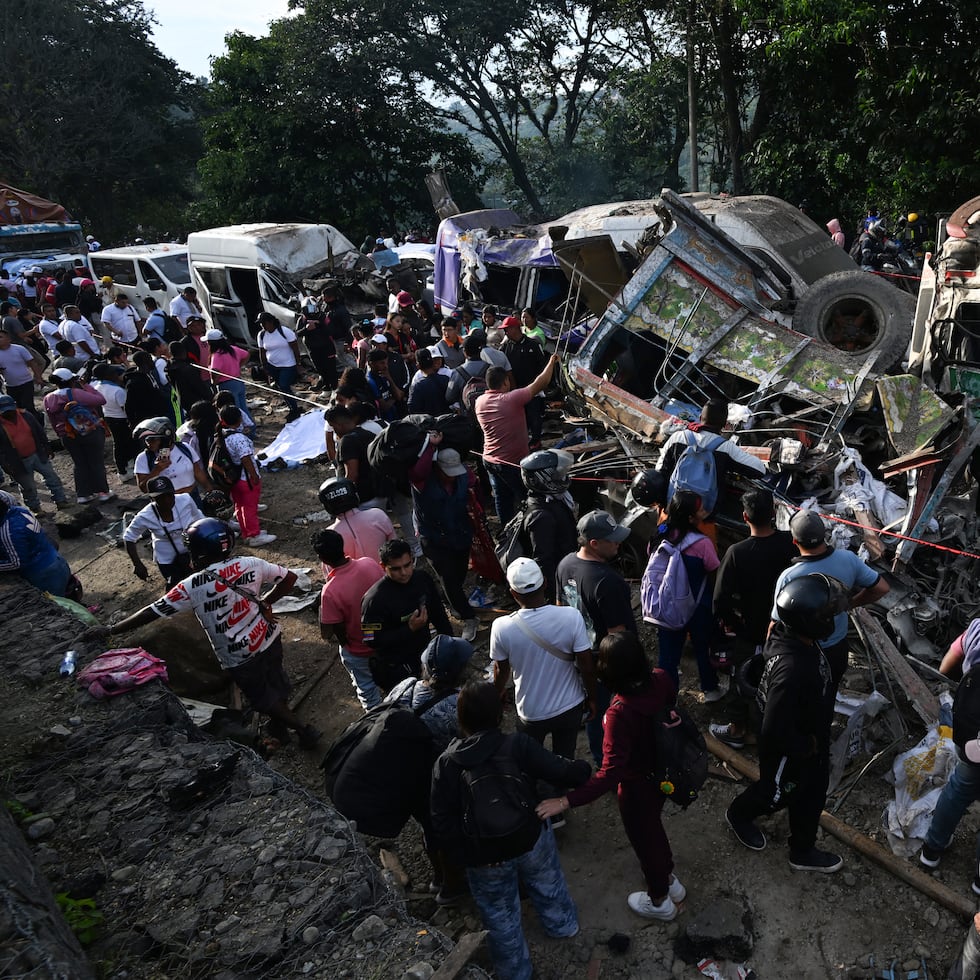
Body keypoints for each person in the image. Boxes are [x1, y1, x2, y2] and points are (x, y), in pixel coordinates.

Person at [87, 518, 321, 747]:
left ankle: (303, 729)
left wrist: (111, 629)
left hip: (239, 654)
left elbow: (153, 611)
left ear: (197, 551)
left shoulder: (192, 585)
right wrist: (266, 602)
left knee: (261, 698)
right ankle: (279, 724)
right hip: (268, 635)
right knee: (274, 678)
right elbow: (289, 578)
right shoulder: (251, 563)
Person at [430, 680, 590, 980]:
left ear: (461, 719)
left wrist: (469, 856)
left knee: (499, 913)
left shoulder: (447, 764)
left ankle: (516, 971)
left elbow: (442, 823)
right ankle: (563, 926)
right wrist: (582, 770)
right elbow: (562, 770)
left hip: (484, 856)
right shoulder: (517, 744)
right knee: (547, 883)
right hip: (530, 836)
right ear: (500, 713)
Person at [537, 631, 684, 921]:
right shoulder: (662, 678)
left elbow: (610, 772)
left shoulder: (620, 713)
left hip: (636, 787)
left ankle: (660, 901)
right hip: (663, 773)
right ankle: (669, 881)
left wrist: (567, 801)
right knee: (654, 829)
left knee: (645, 839)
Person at [726, 573, 844, 872]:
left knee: (813, 792)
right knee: (776, 792)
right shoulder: (792, 670)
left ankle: (802, 850)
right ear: (808, 621)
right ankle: (738, 814)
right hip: (790, 748)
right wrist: (803, 746)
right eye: (826, 614)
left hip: (811, 739)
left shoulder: (790, 634)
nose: (831, 618)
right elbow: (773, 728)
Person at [491, 557, 597, 806]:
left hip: (530, 712)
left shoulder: (501, 627)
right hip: (570, 707)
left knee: (528, 761)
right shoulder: (570, 617)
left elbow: (500, 671)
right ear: (545, 584)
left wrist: (497, 696)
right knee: (563, 758)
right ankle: (558, 802)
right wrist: (592, 697)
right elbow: (586, 664)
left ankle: (534, 803)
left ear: (512, 593)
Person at [711, 489, 797, 746]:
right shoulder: (789, 543)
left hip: (751, 630)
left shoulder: (737, 553)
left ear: (744, 517)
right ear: (773, 514)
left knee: (741, 677)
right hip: (786, 629)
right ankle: (776, 728)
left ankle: (737, 730)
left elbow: (719, 601)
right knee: (781, 680)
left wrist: (736, 624)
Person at [771, 509, 889, 692]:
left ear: (794, 541)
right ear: (824, 535)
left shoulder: (789, 577)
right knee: (828, 692)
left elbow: (775, 624)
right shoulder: (848, 559)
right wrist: (849, 604)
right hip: (836, 647)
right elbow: (882, 588)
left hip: (803, 652)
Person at [556, 509, 636, 762]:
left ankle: (600, 755)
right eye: (612, 539)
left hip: (579, 657)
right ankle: (611, 760)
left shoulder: (565, 563)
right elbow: (617, 636)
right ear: (594, 543)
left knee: (592, 710)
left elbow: (560, 609)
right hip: (605, 665)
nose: (618, 543)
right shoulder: (607, 581)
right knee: (609, 712)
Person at [647, 490, 724, 700]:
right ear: (691, 517)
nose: (704, 511)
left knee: (668, 656)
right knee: (703, 648)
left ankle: (666, 697)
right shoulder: (702, 543)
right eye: (700, 509)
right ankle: (710, 689)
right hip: (698, 606)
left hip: (667, 604)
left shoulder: (660, 533)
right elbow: (713, 570)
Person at [919, 617, 980, 877]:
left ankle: (931, 851)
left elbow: (946, 667)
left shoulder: (977, 627)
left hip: (971, 735)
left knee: (959, 788)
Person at [656, 398, 767, 540]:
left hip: (670, 514)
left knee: (659, 548)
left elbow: (660, 470)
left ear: (701, 417)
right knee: (701, 558)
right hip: (701, 520)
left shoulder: (678, 437)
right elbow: (759, 470)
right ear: (724, 424)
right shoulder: (726, 448)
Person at [409, 432, 480, 642]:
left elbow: (474, 484)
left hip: (460, 533)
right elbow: (417, 470)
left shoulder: (462, 476)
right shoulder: (422, 481)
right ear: (436, 468)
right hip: (433, 538)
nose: (451, 475)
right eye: (446, 472)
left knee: (457, 575)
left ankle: (448, 598)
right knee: (448, 577)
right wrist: (431, 445)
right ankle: (468, 617)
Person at [360, 538, 453, 691]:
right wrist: (408, 629)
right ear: (383, 567)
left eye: (407, 565)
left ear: (412, 559)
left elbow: (438, 613)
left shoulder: (422, 579)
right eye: (395, 569)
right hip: (397, 668)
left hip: (425, 656)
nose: (403, 573)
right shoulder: (374, 600)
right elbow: (371, 639)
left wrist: (449, 644)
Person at [476, 356, 559, 526]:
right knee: (526, 498)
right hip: (510, 463)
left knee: (502, 497)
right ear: (505, 382)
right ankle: (528, 527)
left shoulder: (480, 401)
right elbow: (541, 383)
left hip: (490, 460)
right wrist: (551, 362)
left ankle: (507, 530)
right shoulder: (511, 399)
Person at [315, 528, 386, 710]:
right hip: (386, 638)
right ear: (342, 545)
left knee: (368, 690)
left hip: (359, 649)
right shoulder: (369, 564)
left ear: (322, 559)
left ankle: (378, 718)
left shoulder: (330, 592)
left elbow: (329, 632)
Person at [43, 367, 114, 505]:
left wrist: (61, 434)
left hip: (67, 436)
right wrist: (85, 386)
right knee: (96, 462)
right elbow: (100, 400)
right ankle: (103, 492)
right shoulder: (76, 393)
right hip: (89, 432)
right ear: (72, 381)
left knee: (79, 464)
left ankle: (83, 495)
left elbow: (51, 419)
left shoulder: (48, 398)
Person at [518, 450, 577, 604]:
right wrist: (555, 595)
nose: (562, 478)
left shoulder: (550, 499)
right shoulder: (541, 517)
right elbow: (544, 560)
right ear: (543, 479)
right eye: (557, 475)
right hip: (559, 579)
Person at [123, 476, 204, 586]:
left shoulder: (186, 500)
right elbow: (129, 537)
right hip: (167, 559)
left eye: (169, 495)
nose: (167, 500)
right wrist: (137, 564)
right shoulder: (145, 516)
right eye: (160, 497)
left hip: (193, 550)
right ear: (152, 499)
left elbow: (199, 518)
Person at [0, 490, 79, 597]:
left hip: (43, 573)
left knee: (55, 602)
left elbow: (16, 563)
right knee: (64, 590)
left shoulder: (8, 531)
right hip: (55, 558)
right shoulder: (19, 510)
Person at [216, 405, 275, 546]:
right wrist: (254, 475)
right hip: (245, 478)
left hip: (234, 478)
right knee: (250, 507)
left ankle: (246, 531)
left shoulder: (222, 435)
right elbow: (246, 458)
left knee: (240, 506)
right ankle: (253, 535)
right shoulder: (239, 438)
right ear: (239, 419)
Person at [0, 394, 68, 513]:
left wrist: (47, 446)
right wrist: (4, 464)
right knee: (28, 487)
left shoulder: (26, 416)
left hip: (37, 454)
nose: (8, 414)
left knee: (52, 478)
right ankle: (35, 508)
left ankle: (61, 501)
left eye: (10, 410)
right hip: (17, 462)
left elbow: (39, 431)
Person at [316, 476, 395, 562]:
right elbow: (395, 547)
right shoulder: (378, 515)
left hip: (352, 575)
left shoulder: (329, 536)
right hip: (385, 573)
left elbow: (330, 571)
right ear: (355, 495)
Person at [132, 415, 210, 498]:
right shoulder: (143, 458)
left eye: (152, 439)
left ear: (166, 438)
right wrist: (157, 470)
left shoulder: (185, 448)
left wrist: (210, 490)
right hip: (167, 504)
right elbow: (143, 488)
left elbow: (198, 472)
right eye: (146, 440)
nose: (148, 443)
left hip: (192, 498)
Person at [501, 314, 547, 449]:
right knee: (520, 419)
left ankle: (536, 442)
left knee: (534, 417)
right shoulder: (505, 347)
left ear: (516, 329)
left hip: (532, 390)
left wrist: (540, 386)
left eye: (507, 329)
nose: (505, 332)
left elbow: (542, 366)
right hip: (514, 391)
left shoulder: (533, 344)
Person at [324, 405, 381, 509]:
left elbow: (352, 474)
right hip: (378, 492)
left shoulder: (347, 441)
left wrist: (345, 498)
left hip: (364, 498)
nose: (334, 430)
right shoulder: (368, 434)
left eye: (333, 426)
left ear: (339, 425)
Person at [257, 312, 302, 422]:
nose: (262, 326)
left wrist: (298, 364)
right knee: (281, 388)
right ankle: (291, 406)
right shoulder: (262, 335)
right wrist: (265, 367)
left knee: (284, 385)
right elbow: (262, 352)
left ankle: (294, 409)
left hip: (288, 364)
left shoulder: (284, 332)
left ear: (271, 322)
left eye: (264, 323)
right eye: (261, 324)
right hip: (272, 365)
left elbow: (295, 349)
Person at [206, 329, 251, 418]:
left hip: (226, 385)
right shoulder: (233, 349)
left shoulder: (217, 355)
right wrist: (239, 365)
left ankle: (239, 429)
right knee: (243, 408)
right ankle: (250, 427)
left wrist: (213, 382)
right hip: (238, 381)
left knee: (233, 411)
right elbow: (246, 354)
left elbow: (215, 371)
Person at [0, 328, 42, 418]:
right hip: (10, 385)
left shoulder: (19, 349)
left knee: (28, 407)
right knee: (17, 408)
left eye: (1, 337)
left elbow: (32, 363)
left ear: (8, 339)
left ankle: (38, 423)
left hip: (26, 382)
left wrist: (38, 377)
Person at [406, 347, 450, 415]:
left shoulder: (417, 386)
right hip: (446, 420)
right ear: (432, 362)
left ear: (418, 366)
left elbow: (412, 408)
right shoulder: (446, 379)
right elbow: (452, 400)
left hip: (428, 423)